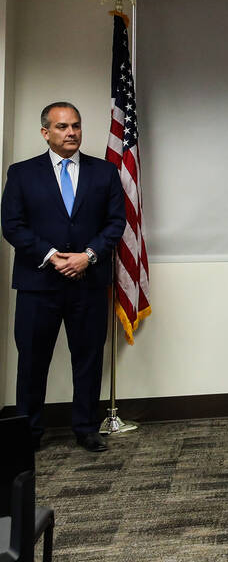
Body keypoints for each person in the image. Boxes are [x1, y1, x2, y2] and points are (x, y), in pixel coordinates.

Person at [1, 102, 126, 452]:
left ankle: (86, 428)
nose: (71, 132)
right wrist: (51, 256)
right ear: (46, 133)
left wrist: (88, 255)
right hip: (37, 285)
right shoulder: (22, 173)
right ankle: (29, 432)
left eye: (75, 125)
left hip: (88, 282)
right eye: (61, 127)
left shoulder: (105, 173)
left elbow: (116, 223)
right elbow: (12, 225)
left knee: (87, 358)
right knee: (32, 361)